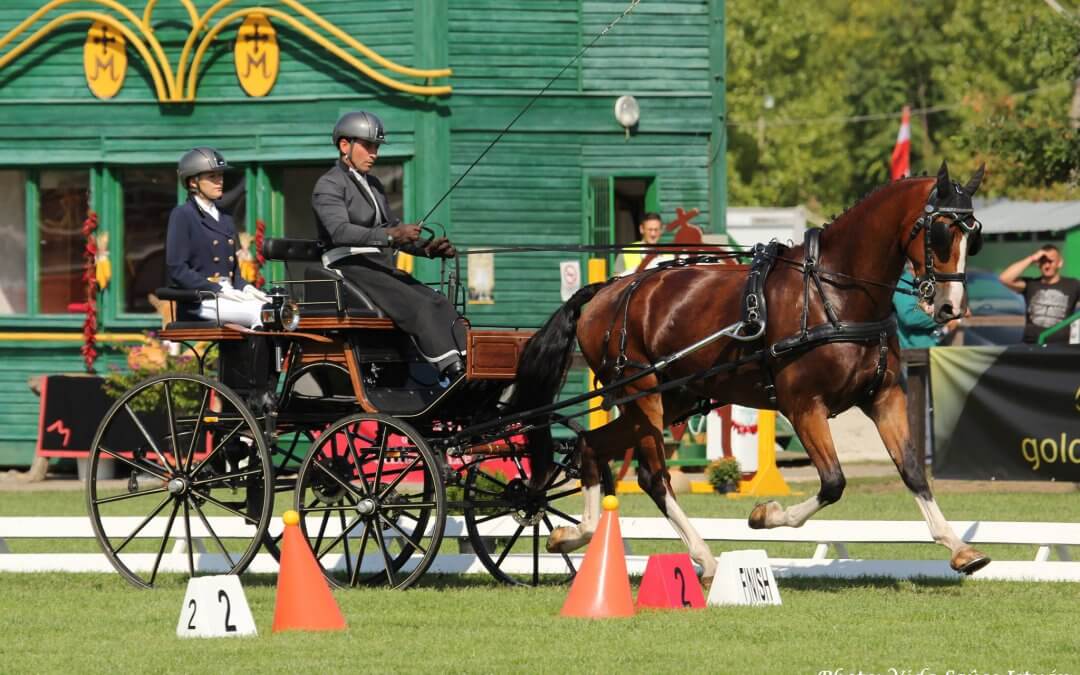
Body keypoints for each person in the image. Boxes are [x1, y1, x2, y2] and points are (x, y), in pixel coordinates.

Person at [312, 111, 465, 379]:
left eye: (377, 147)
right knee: (419, 306)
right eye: (368, 146)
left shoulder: (373, 184)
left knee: (437, 300)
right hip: (348, 266)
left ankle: (467, 358)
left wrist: (426, 249)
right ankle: (450, 368)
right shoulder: (329, 184)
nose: (374, 154)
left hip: (376, 264)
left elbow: (391, 228)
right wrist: (392, 236)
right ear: (345, 145)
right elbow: (339, 231)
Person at [165, 147, 268, 326]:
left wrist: (246, 287)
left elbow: (233, 270)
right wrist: (217, 289)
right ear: (193, 182)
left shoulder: (225, 217)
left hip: (229, 294)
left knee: (276, 308)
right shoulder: (183, 215)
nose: (219, 181)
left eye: (220, 175)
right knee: (259, 313)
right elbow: (178, 270)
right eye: (212, 176)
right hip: (201, 301)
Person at [998, 244, 1080, 344]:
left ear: (1060, 263)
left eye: (1050, 261)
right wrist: (1032, 259)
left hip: (1060, 348)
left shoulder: (1073, 285)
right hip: (1032, 346)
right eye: (1043, 261)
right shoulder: (1031, 284)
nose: (1047, 265)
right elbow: (1004, 278)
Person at [614, 212, 670, 276]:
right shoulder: (626, 252)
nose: (653, 234)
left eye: (656, 230)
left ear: (661, 230)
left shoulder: (669, 255)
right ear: (641, 229)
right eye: (650, 230)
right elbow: (616, 282)